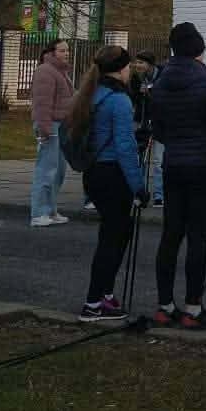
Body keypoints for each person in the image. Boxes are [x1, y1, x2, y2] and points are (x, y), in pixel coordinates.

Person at [148, 22, 206, 331]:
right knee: (198, 236)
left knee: (171, 234)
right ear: (199, 50)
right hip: (205, 167)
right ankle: (193, 308)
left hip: (173, 164)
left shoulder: (160, 86)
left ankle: (164, 305)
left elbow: (158, 130)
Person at [69, 45, 145, 322]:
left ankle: (105, 295)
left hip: (94, 173)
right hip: (114, 175)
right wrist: (139, 185)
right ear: (121, 69)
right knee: (113, 240)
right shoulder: (119, 100)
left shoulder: (91, 93)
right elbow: (125, 148)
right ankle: (93, 302)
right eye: (128, 67)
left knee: (113, 235)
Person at [28, 41, 74, 228]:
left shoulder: (60, 72)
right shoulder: (45, 71)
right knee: (46, 170)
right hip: (50, 125)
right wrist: (44, 128)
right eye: (62, 50)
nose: (66, 53)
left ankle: (50, 210)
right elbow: (42, 103)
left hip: (61, 126)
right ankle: (39, 213)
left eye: (67, 50)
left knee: (58, 172)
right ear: (52, 52)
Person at [129, 51, 163, 204]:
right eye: (136, 62)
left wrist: (150, 92)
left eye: (141, 63)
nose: (137, 65)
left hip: (159, 122)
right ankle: (139, 192)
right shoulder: (136, 78)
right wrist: (139, 92)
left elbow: (163, 98)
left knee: (158, 160)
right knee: (140, 159)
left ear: (150, 64)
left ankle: (159, 195)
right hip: (141, 121)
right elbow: (133, 99)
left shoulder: (162, 76)